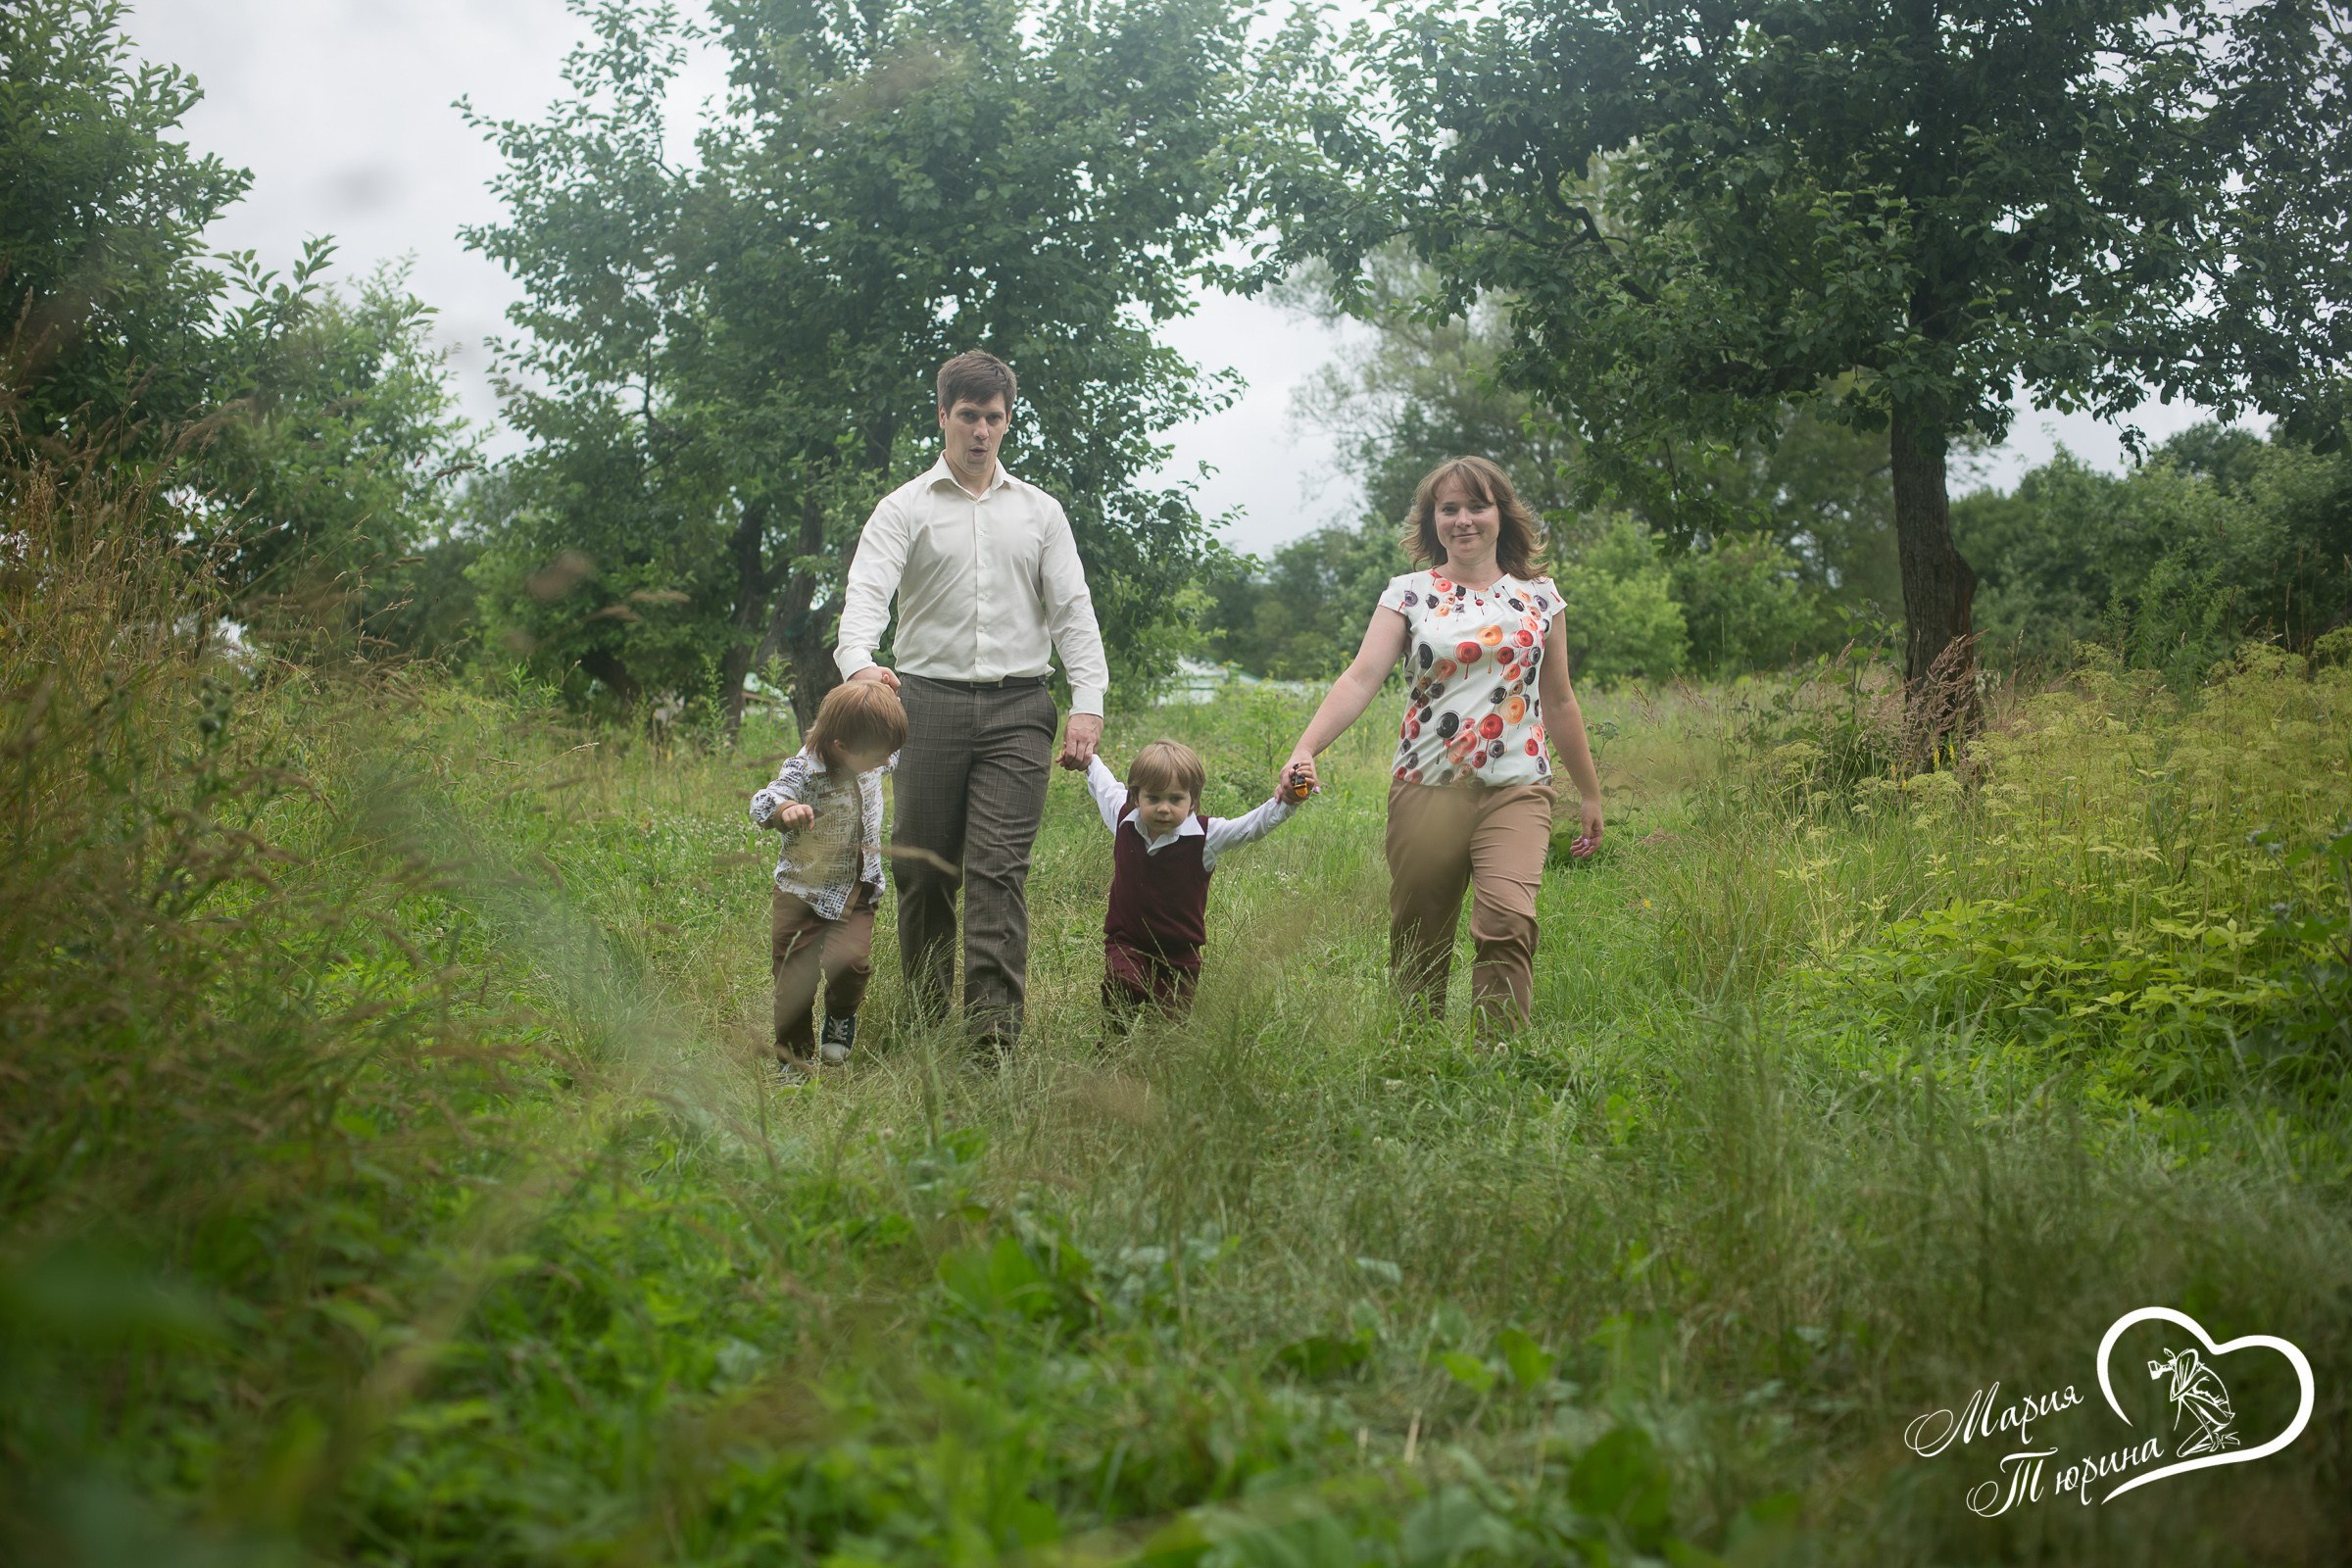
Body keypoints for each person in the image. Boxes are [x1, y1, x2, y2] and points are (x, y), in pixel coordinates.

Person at [833, 350, 1109, 1054]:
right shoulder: (905, 508)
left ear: (1007, 421)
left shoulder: (1040, 513)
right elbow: (867, 590)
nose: (980, 431)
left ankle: (992, 1039)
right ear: (943, 417)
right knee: (923, 870)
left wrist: (1087, 702)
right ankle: (926, 1024)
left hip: (1020, 707)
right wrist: (860, 663)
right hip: (924, 705)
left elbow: (1072, 610)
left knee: (997, 871)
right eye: (967, 416)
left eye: (993, 418)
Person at [1285, 456, 1604, 1027]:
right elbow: (1361, 677)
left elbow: (1558, 701)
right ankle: (1415, 1057)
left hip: (1518, 787)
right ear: (1432, 520)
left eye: (1477, 506)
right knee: (1419, 939)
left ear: (1500, 515)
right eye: (1448, 508)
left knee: (1508, 922)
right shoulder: (1406, 594)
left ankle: (1498, 1063)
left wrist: (1589, 793)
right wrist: (1306, 747)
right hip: (1425, 790)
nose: (1464, 520)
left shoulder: (1541, 598)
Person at [1075, 740, 1308, 1022]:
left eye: (1175, 799)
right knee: (1124, 987)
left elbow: (1251, 827)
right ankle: (1113, 1048)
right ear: (1136, 797)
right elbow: (1104, 786)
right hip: (1127, 941)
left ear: (1192, 800)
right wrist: (1088, 759)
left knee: (1168, 1028)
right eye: (1154, 798)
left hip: (1179, 953)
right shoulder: (1124, 819)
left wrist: (1286, 802)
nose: (1164, 808)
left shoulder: (1205, 836)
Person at [748, 681, 907, 1082]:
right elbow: (764, 800)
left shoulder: (871, 748)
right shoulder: (805, 768)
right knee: (792, 981)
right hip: (801, 892)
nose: (887, 761)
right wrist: (785, 809)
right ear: (840, 747)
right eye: (878, 755)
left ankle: (840, 1017)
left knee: (851, 964)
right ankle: (795, 1061)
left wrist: (885, 690)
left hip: (858, 890)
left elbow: (884, 731)